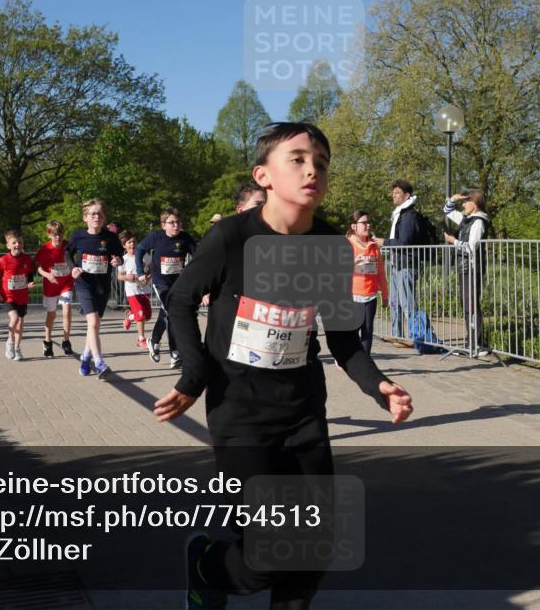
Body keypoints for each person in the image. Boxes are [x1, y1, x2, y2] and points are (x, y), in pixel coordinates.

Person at [156, 121, 413, 610]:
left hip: (302, 413)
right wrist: (194, 377)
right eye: (296, 159)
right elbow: (183, 299)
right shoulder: (230, 237)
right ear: (264, 175)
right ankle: (207, 564)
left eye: (320, 162)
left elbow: (342, 337)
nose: (311, 169)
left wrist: (379, 385)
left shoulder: (333, 248)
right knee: (271, 554)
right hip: (239, 413)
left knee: (314, 547)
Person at [66, 198, 123, 378]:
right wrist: (72, 267)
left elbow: (119, 254)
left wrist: (117, 260)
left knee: (94, 326)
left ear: (104, 217)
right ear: (85, 217)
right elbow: (67, 252)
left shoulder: (110, 237)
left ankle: (85, 356)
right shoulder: (78, 236)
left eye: (99, 213)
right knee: (93, 322)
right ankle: (99, 362)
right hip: (84, 284)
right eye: (92, 214)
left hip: (102, 286)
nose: (96, 216)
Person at [135, 208, 197, 368]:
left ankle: (154, 341)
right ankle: (175, 353)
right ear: (164, 225)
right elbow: (140, 249)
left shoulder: (185, 238)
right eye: (172, 223)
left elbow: (198, 256)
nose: (176, 226)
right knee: (171, 313)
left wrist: (190, 270)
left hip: (177, 282)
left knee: (166, 313)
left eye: (178, 222)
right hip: (160, 281)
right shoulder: (156, 237)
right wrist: (140, 271)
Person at [443, 190, 492, 356]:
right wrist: (454, 199)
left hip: (472, 268)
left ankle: (476, 344)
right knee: (467, 305)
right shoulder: (467, 219)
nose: (463, 205)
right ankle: (470, 343)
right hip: (464, 267)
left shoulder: (478, 222)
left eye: (465, 202)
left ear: (474, 204)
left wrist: (453, 241)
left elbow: (471, 247)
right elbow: (448, 211)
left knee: (471, 305)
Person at [375, 180, 423, 338]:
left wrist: (385, 242)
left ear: (407, 195)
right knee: (395, 302)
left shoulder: (409, 216)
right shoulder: (400, 214)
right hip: (398, 264)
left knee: (407, 303)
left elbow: (404, 242)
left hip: (407, 264)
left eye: (397, 193)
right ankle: (397, 335)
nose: (393, 196)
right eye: (393, 193)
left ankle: (416, 335)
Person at [348, 210, 388, 355]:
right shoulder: (348, 244)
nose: (368, 226)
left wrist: (385, 293)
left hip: (371, 295)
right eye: (364, 223)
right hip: (352, 295)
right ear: (354, 226)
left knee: (368, 330)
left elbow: (381, 273)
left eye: (369, 222)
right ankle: (346, 357)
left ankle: (365, 362)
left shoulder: (374, 246)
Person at [0, 230, 35, 361]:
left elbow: (29, 274)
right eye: (14, 242)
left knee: (21, 322)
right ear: (8, 246)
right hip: (8, 295)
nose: (17, 245)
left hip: (22, 295)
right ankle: (9, 342)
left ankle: (17, 348)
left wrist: (30, 282)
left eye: (20, 242)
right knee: (15, 318)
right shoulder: (3, 260)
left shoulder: (26, 259)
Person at [36, 220, 75, 358]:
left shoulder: (68, 246)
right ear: (49, 235)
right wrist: (47, 275)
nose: (58, 237)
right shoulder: (44, 249)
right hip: (51, 285)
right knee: (51, 315)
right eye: (55, 234)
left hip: (66, 283)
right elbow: (39, 268)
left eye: (60, 234)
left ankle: (66, 341)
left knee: (67, 310)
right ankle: (47, 341)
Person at [117, 230, 152, 351]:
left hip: (144, 289)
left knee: (147, 316)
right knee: (141, 316)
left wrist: (147, 277)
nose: (132, 244)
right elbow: (119, 276)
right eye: (129, 242)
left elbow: (151, 268)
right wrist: (127, 277)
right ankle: (141, 339)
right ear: (124, 245)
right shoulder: (123, 259)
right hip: (132, 291)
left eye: (134, 241)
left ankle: (130, 316)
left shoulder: (144, 255)